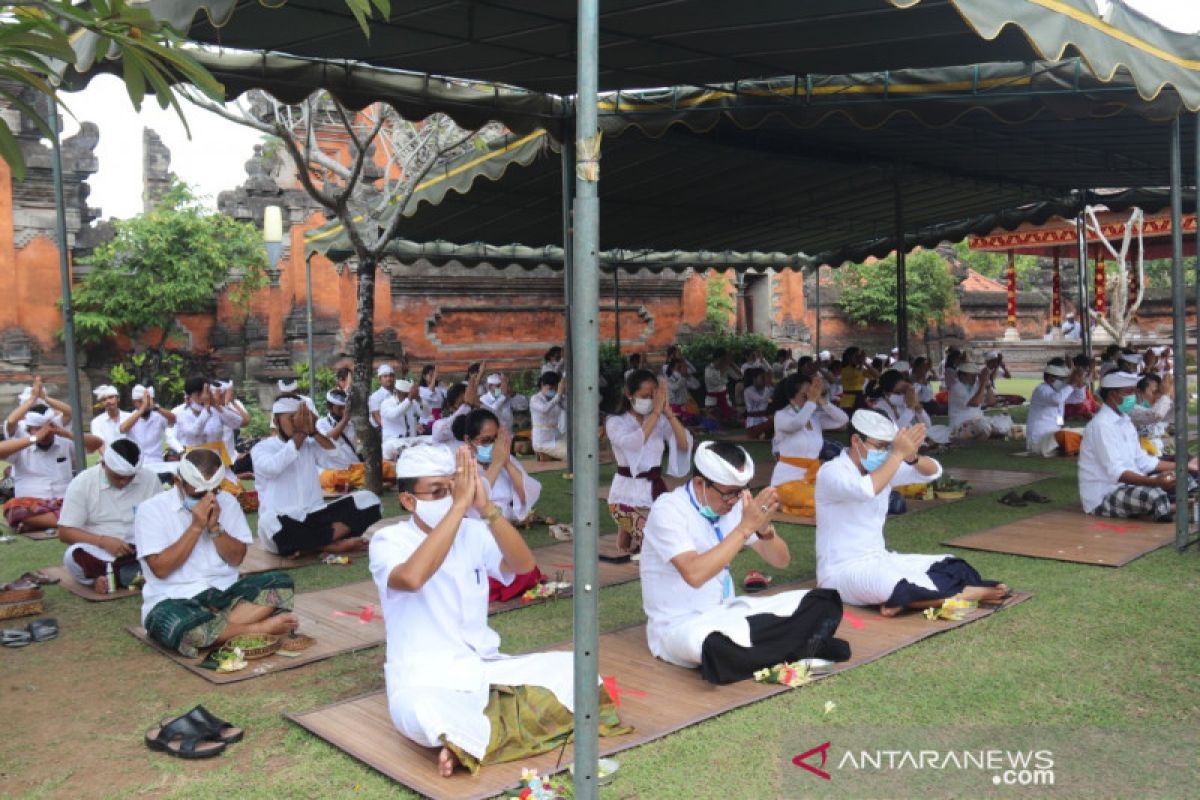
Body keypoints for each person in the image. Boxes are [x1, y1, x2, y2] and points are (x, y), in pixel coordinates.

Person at [370, 444, 628, 776]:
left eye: (453, 488)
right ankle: (483, 728)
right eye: (437, 493)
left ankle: (473, 739)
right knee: (426, 715)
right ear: (408, 501)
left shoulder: (474, 532)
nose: (450, 498)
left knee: (577, 671)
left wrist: (486, 508)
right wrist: (459, 506)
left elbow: (523, 565)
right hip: (425, 680)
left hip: (484, 667)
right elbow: (412, 577)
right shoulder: (389, 541)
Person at [640, 440, 849, 684]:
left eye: (740, 491)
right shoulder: (668, 509)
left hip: (730, 613)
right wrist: (744, 527)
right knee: (715, 645)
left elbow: (781, 560)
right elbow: (694, 574)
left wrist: (764, 530)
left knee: (821, 601)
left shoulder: (735, 505)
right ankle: (800, 646)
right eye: (729, 492)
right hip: (681, 626)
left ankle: (779, 649)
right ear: (700, 483)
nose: (734, 500)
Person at [815, 410, 1008, 616]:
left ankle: (907, 601)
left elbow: (934, 471)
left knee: (954, 566)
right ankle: (963, 594)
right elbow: (866, 490)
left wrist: (912, 457)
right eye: (881, 446)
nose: (885, 453)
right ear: (856, 440)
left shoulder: (883, 466)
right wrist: (897, 454)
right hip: (840, 572)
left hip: (880, 558)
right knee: (893, 584)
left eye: (888, 447)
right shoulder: (832, 472)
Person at [135, 449, 298, 657]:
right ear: (177, 482)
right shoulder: (151, 510)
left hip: (224, 593)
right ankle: (257, 628)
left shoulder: (227, 502)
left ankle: (216, 630)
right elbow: (160, 569)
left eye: (214, 491)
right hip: (173, 597)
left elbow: (236, 557)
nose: (209, 499)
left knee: (280, 582)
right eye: (199, 494)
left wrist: (215, 529)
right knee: (179, 625)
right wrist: (195, 527)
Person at [252, 397, 382, 556]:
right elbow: (273, 468)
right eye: (291, 418)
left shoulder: (310, 444)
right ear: (276, 421)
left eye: (301, 417)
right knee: (268, 523)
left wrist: (314, 431)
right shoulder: (262, 448)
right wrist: (300, 434)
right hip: (284, 521)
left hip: (316, 517)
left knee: (369, 501)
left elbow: (342, 462)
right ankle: (329, 545)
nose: (297, 422)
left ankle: (313, 544)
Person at [1079, 371, 1196, 520]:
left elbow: (1143, 461)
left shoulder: (1125, 421)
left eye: (1133, 392)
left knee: (1183, 478)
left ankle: (1170, 507)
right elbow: (1117, 473)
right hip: (1104, 495)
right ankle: (1175, 508)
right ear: (1112, 395)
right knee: (1154, 495)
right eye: (1128, 392)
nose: (1133, 397)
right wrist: (1153, 482)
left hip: (1133, 485)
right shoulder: (1101, 426)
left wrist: (1184, 466)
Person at [606, 370, 693, 555]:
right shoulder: (615, 422)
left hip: (654, 492)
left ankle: (630, 534)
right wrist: (655, 412)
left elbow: (684, 445)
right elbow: (635, 443)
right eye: (645, 396)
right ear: (629, 394)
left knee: (678, 537)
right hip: (623, 497)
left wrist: (669, 413)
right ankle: (628, 529)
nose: (651, 401)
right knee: (656, 544)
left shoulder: (660, 420)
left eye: (654, 397)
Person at [58, 439, 162, 592]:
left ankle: (116, 577)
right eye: (118, 477)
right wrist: (103, 541)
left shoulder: (150, 479)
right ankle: (132, 576)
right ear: (103, 464)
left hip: (141, 549)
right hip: (101, 551)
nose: (124, 482)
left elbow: (162, 518)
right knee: (73, 556)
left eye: (130, 477)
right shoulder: (83, 482)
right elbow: (65, 532)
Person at [0, 406, 102, 533]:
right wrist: (35, 438)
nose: (46, 432)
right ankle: (66, 522)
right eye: (38, 428)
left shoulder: (64, 441)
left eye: (48, 427)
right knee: (12, 509)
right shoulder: (22, 445)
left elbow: (97, 443)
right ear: (29, 429)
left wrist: (66, 433)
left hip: (64, 502)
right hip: (31, 505)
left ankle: (37, 523)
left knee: (91, 505)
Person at [769, 373, 848, 517]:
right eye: (805, 395)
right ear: (792, 395)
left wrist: (822, 400)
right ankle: (782, 502)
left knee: (841, 496)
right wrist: (812, 402)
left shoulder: (814, 417)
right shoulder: (782, 415)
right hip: (787, 484)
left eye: (812, 393)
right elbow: (797, 423)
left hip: (812, 480)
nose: (809, 398)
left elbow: (842, 420)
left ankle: (788, 506)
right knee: (823, 501)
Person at [1026, 361, 1086, 455]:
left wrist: (1080, 384)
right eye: (1063, 379)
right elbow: (1056, 400)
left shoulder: (1059, 391)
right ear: (1051, 379)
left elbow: (1079, 398)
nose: (1066, 382)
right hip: (1039, 441)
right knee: (1065, 435)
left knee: (1087, 430)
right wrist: (1072, 384)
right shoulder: (1041, 390)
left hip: (1054, 435)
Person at [119, 384, 176, 479]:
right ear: (134, 402)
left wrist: (156, 407)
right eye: (140, 401)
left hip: (157, 464)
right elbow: (123, 429)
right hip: (137, 465)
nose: (145, 404)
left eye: (147, 400)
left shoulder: (158, 415)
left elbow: (174, 419)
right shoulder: (129, 417)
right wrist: (142, 409)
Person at [317, 389, 366, 492]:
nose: (343, 411)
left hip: (356, 468)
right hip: (337, 471)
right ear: (329, 408)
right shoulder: (321, 423)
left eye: (345, 408)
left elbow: (360, 444)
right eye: (340, 408)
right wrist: (345, 420)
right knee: (337, 479)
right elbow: (329, 438)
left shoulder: (353, 422)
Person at [948, 362, 1011, 441]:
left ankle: (988, 434)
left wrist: (987, 385)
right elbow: (975, 403)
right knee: (984, 426)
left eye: (975, 375)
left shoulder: (976, 384)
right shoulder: (956, 387)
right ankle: (984, 436)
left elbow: (992, 402)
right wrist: (983, 383)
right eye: (972, 375)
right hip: (960, 424)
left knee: (1005, 420)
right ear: (962, 376)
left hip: (979, 420)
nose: (975, 378)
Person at [380, 376, 423, 462]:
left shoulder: (412, 402)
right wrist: (409, 399)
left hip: (411, 441)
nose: (407, 396)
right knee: (399, 447)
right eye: (405, 394)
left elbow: (425, 414)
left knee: (429, 440)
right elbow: (395, 414)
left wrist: (419, 399)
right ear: (398, 392)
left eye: (408, 394)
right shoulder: (386, 403)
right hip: (392, 442)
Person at [1129, 373, 1173, 457]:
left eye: (1159, 392)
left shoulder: (1158, 405)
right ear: (1138, 391)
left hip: (1157, 453)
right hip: (1141, 456)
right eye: (1154, 392)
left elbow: (1176, 412)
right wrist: (1166, 394)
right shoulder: (1131, 409)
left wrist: (1171, 391)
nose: (1157, 396)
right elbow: (1156, 414)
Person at [530, 372, 568, 460]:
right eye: (550, 388)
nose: (553, 391)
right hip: (542, 441)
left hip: (557, 436)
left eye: (555, 388)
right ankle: (545, 454)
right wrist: (558, 396)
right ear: (542, 385)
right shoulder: (535, 399)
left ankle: (550, 456)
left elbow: (569, 408)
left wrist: (563, 394)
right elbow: (544, 409)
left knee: (578, 447)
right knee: (570, 453)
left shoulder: (557, 398)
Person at [703, 349, 741, 424]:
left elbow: (739, 376)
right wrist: (726, 364)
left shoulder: (726, 366)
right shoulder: (708, 369)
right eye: (725, 358)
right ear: (719, 359)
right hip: (712, 402)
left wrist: (732, 364)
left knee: (736, 418)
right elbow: (716, 381)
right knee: (715, 421)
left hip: (725, 400)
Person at [837, 347, 877, 411]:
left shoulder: (860, 369)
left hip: (860, 399)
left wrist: (865, 363)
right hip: (848, 401)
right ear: (849, 357)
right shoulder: (844, 369)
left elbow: (876, 375)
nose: (859, 358)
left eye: (859, 356)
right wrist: (861, 363)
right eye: (856, 356)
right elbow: (856, 374)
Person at [742, 368, 773, 438]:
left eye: (765, 377)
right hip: (753, 425)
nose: (764, 380)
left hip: (764, 421)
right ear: (754, 379)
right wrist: (768, 386)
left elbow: (773, 399)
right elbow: (762, 399)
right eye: (762, 377)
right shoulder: (748, 390)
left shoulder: (766, 389)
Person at [417, 365, 446, 433]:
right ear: (424, 377)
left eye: (435, 375)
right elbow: (430, 393)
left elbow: (447, 396)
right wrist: (434, 378)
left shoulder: (440, 388)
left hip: (438, 421)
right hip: (426, 423)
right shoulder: (421, 389)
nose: (434, 377)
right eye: (431, 375)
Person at [369, 363, 398, 429]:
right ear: (380, 379)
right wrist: (389, 429)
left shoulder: (398, 394)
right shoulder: (375, 396)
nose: (389, 379)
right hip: (382, 430)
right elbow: (376, 417)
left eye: (391, 376)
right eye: (385, 376)